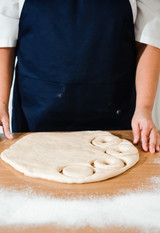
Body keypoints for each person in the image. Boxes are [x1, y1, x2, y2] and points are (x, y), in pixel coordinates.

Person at [0, 0, 160, 154]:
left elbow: (149, 38)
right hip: (36, 114)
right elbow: (4, 40)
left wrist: (144, 109)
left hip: (114, 114)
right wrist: (1, 102)